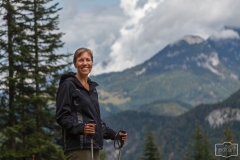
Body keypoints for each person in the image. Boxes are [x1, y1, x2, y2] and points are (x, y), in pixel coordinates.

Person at [56, 47, 127, 160]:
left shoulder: (92, 89)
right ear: (75, 64)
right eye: (81, 60)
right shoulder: (68, 85)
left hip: (94, 146)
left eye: (88, 60)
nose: (85, 63)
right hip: (78, 147)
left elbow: (95, 121)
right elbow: (62, 116)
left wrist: (114, 135)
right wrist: (82, 128)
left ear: (92, 63)